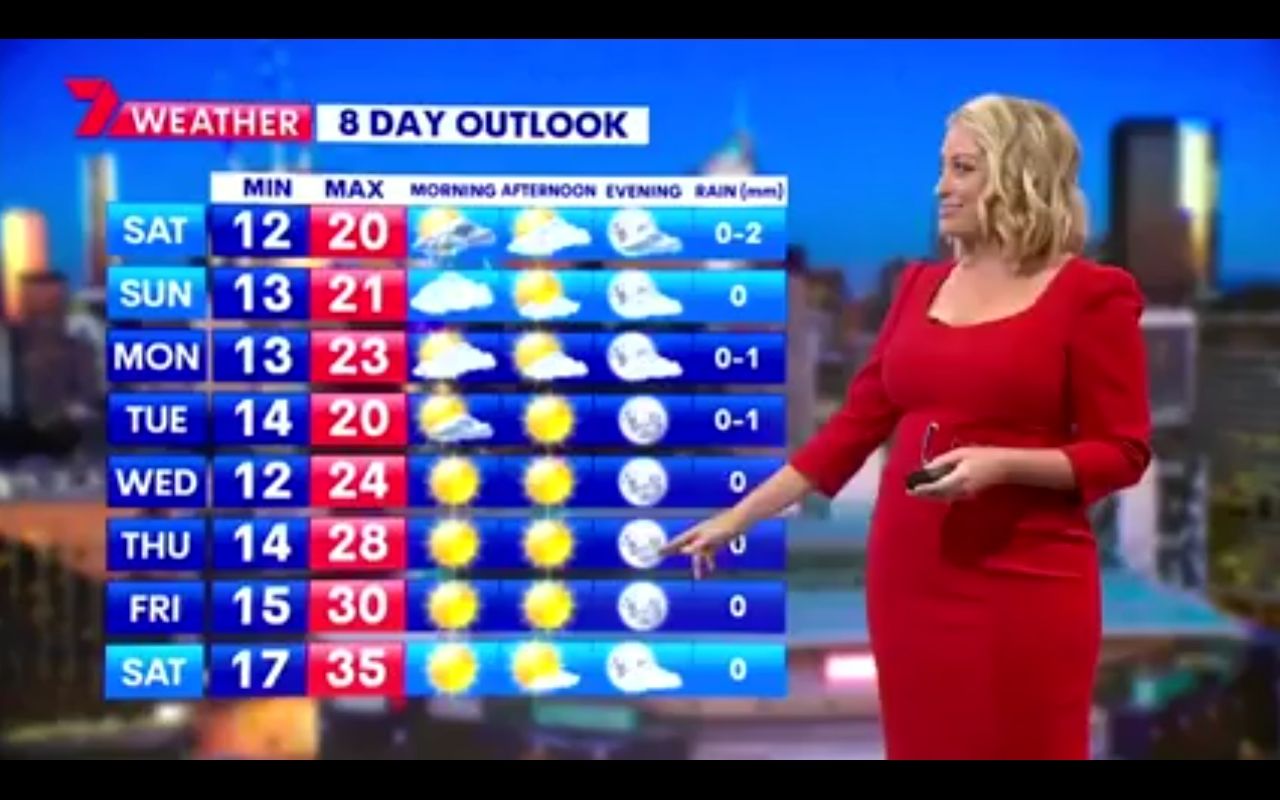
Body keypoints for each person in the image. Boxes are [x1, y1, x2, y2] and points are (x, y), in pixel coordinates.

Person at [662, 94, 1152, 759]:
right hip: (912, 576)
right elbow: (851, 430)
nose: (941, 187)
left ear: (1019, 175)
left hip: (1029, 579)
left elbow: (1122, 451)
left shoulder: (1091, 295)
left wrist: (1004, 464)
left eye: (963, 168)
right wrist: (737, 518)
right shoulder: (919, 286)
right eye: (942, 167)